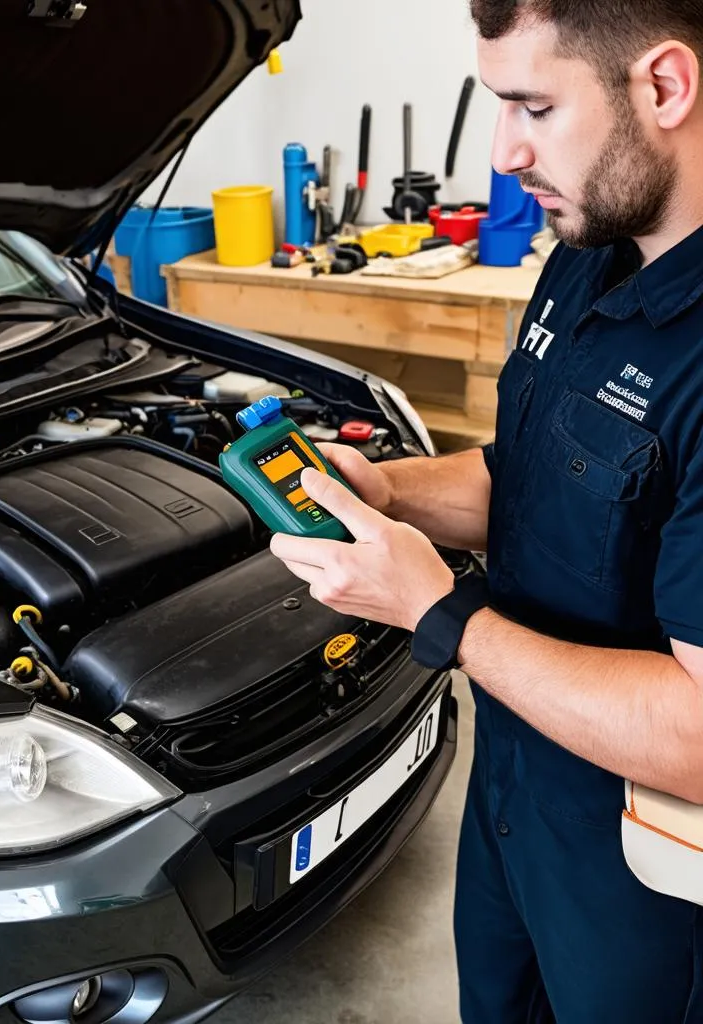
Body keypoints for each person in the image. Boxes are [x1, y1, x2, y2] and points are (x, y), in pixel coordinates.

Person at [268, 2, 703, 1020]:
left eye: (534, 107)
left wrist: (441, 616)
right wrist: (391, 491)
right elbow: (534, 477)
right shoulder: (587, 252)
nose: (503, 151)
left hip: (640, 868)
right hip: (512, 798)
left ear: (665, 88)